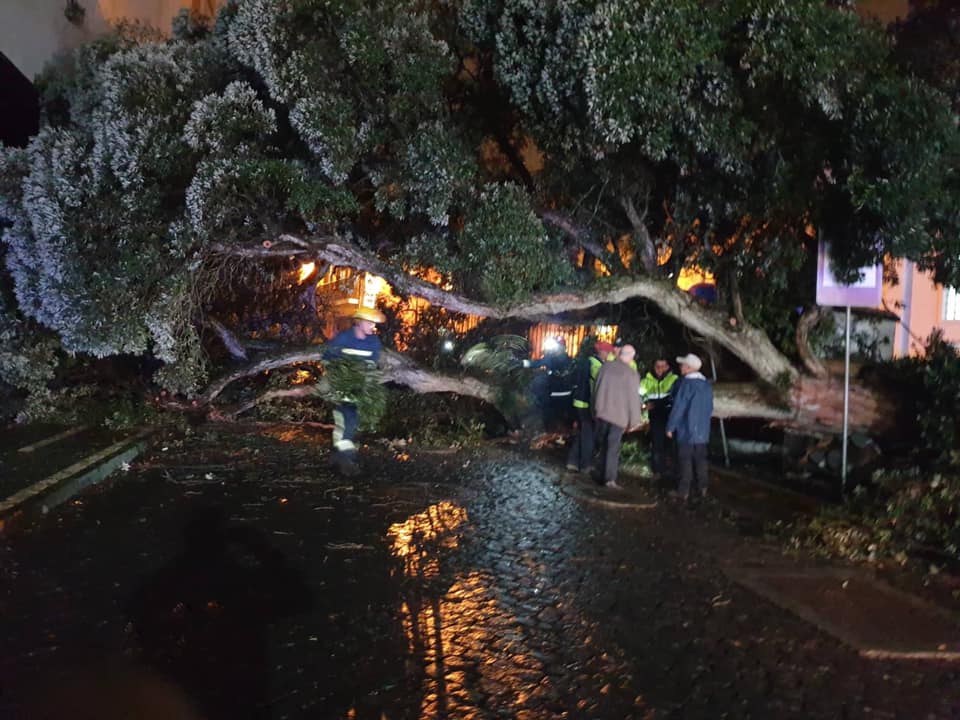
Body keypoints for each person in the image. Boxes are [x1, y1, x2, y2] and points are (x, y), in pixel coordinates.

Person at [323, 306, 385, 476]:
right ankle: (346, 458)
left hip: (359, 389)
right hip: (342, 388)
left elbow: (372, 366)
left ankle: (338, 457)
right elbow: (328, 358)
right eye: (369, 322)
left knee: (352, 421)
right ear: (359, 323)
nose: (373, 326)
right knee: (346, 420)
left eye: (373, 322)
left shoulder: (373, 342)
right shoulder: (344, 338)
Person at [592, 344, 643, 489]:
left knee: (603, 445)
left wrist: (594, 409)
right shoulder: (632, 374)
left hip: (602, 413)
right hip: (619, 417)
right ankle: (609, 479)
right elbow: (633, 400)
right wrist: (634, 421)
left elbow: (596, 389)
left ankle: (600, 473)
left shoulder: (605, 367)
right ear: (631, 357)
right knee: (613, 447)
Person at [665, 353, 714, 501]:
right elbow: (710, 408)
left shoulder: (685, 385)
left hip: (686, 429)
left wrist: (670, 427)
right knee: (700, 459)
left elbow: (679, 408)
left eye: (683, 365)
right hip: (702, 431)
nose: (680, 367)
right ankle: (703, 488)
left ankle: (683, 491)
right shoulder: (706, 386)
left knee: (684, 460)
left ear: (688, 368)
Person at [566, 340, 615, 473]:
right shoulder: (596, 364)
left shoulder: (588, 361)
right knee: (589, 435)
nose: (610, 355)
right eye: (609, 352)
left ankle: (572, 461)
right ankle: (585, 465)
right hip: (587, 404)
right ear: (602, 352)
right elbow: (600, 380)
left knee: (584, 432)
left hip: (580, 402)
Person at [640, 357, 679, 478]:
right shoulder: (646, 380)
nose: (660, 369)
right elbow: (639, 395)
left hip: (670, 415)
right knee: (657, 444)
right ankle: (657, 471)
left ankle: (673, 470)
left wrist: (655, 403)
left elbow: (673, 397)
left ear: (668, 367)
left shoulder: (674, 379)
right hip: (655, 417)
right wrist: (645, 404)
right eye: (658, 366)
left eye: (663, 366)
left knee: (672, 444)